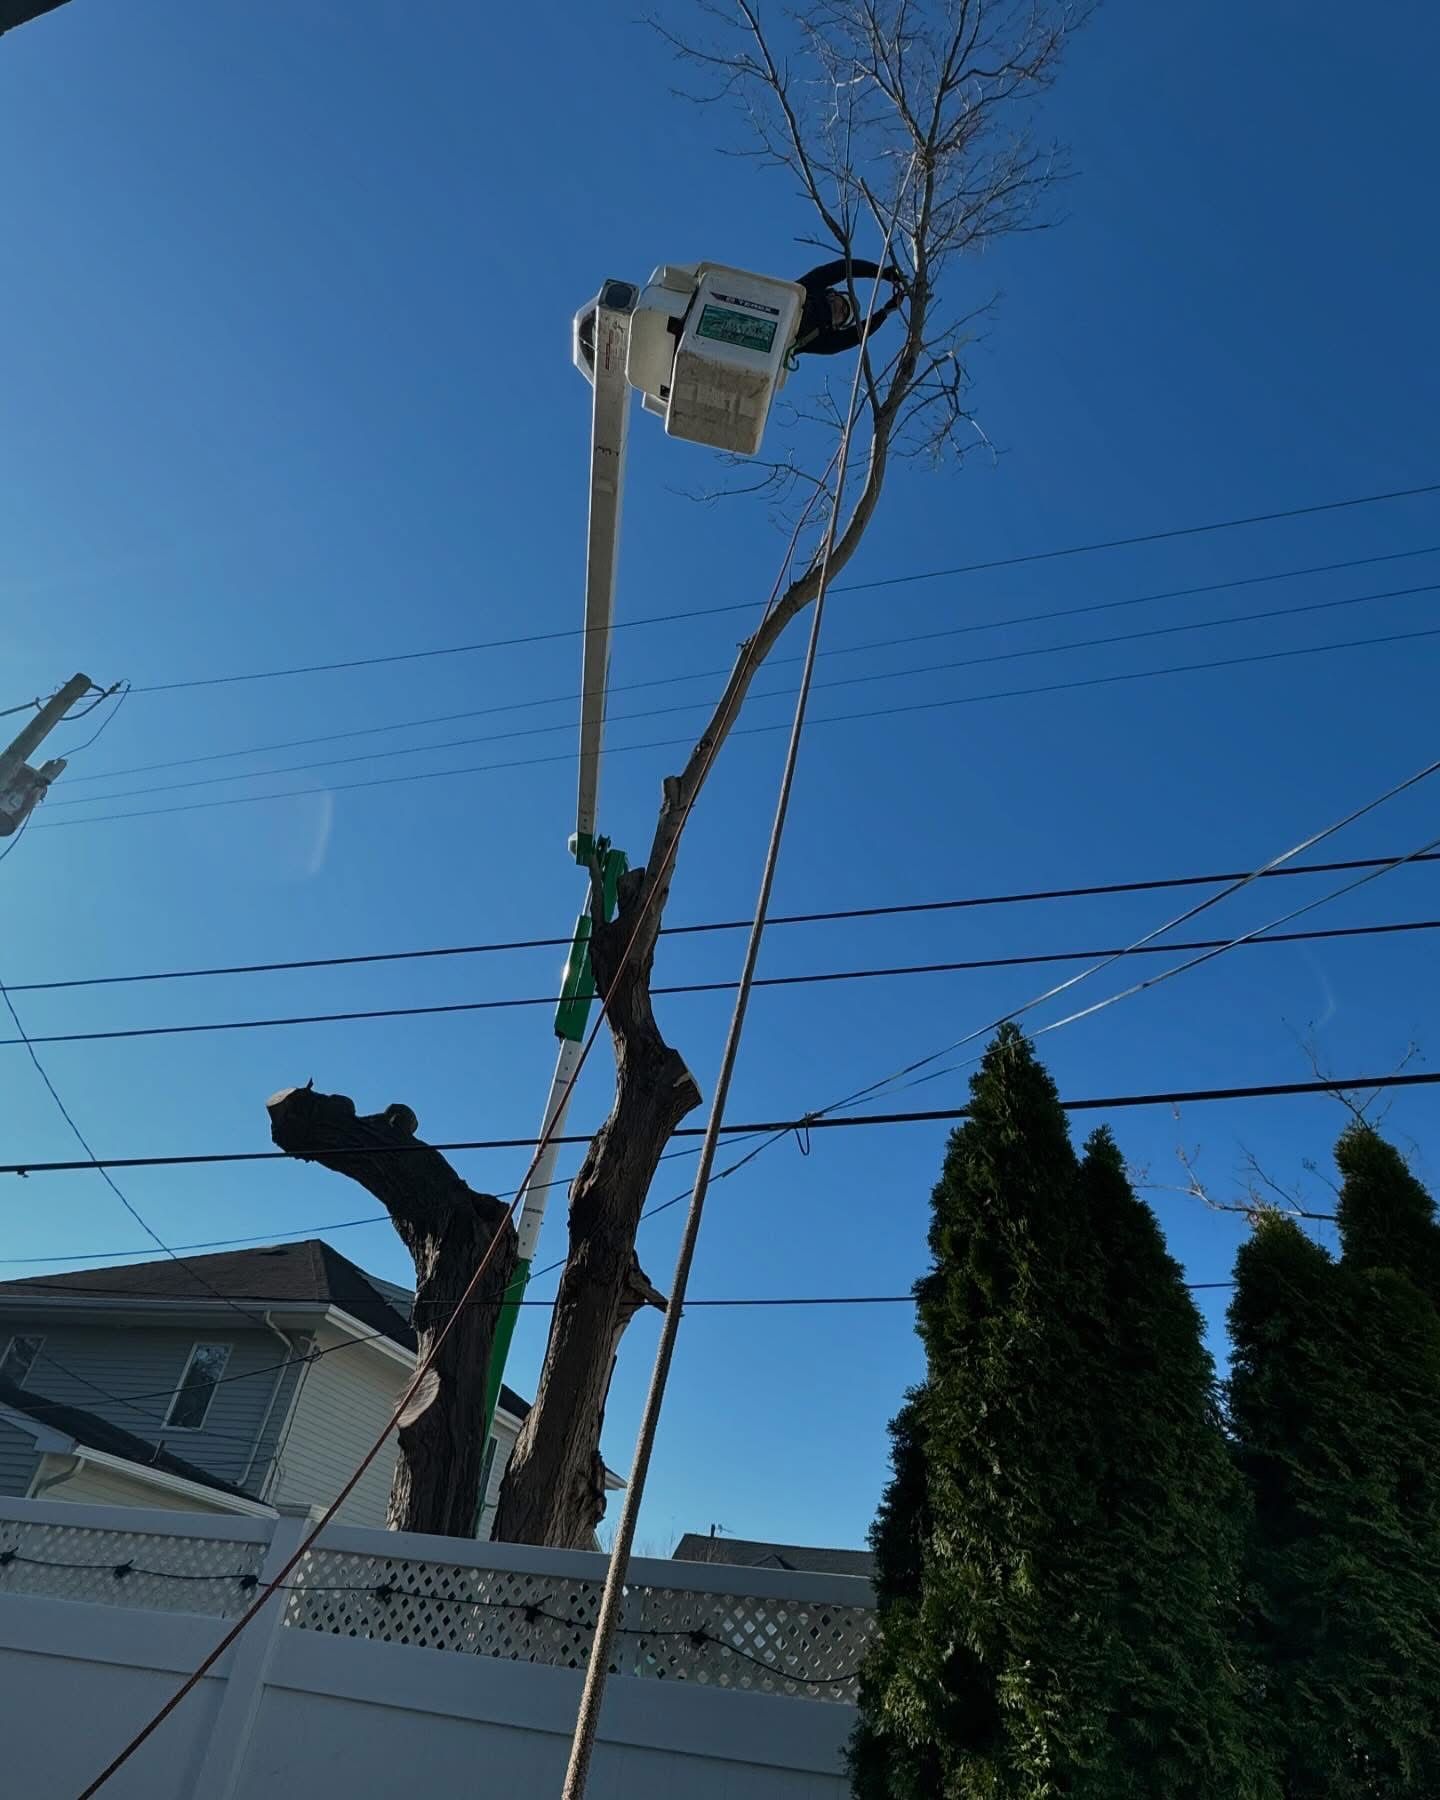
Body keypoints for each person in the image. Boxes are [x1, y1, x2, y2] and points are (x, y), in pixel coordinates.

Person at [790, 258, 905, 358]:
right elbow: (844, 268)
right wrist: (882, 272)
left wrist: (885, 311)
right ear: (833, 295)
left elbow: (856, 335)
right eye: (844, 304)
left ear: (838, 325)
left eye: (844, 315)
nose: (842, 311)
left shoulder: (823, 339)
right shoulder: (811, 288)